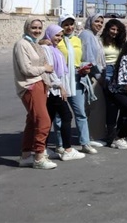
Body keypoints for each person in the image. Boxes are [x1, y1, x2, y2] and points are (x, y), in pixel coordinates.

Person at [15, 18, 57, 169]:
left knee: (33, 121)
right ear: (27, 27)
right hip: (30, 85)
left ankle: (26, 155)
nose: (37, 30)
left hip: (41, 83)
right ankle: (39, 156)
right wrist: (44, 68)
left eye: (39, 28)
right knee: (43, 120)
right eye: (33, 27)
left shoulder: (34, 44)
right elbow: (26, 69)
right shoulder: (22, 44)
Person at [41, 24, 85, 161]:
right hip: (54, 89)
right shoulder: (47, 48)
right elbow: (50, 70)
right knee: (66, 116)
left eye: (61, 36)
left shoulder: (54, 49)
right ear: (49, 35)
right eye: (56, 35)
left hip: (55, 89)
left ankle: (43, 149)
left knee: (49, 119)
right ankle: (67, 149)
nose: (59, 38)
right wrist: (60, 86)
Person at [55, 14, 97, 155]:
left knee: (80, 113)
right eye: (66, 24)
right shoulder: (56, 41)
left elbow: (82, 59)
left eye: (71, 24)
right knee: (59, 115)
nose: (69, 27)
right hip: (61, 79)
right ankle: (60, 144)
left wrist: (85, 68)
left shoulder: (77, 40)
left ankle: (85, 143)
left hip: (76, 79)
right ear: (61, 26)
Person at [79, 14, 108, 146]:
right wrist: (98, 76)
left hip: (96, 74)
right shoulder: (87, 35)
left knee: (92, 106)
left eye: (101, 22)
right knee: (96, 106)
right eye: (97, 21)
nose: (99, 24)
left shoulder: (95, 37)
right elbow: (89, 58)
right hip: (91, 74)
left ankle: (91, 135)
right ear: (90, 22)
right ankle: (93, 136)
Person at [101, 18, 127, 146]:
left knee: (120, 103)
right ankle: (110, 132)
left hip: (118, 72)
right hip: (105, 70)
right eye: (113, 29)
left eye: (117, 30)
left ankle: (119, 132)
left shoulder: (120, 43)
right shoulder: (100, 41)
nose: (115, 32)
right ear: (107, 29)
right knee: (110, 104)